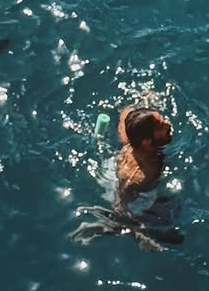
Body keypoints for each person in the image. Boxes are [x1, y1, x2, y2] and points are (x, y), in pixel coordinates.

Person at [75, 106, 181, 251]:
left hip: (115, 169)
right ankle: (102, 227)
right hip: (121, 190)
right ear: (146, 141)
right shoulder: (140, 176)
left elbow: (125, 113)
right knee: (172, 221)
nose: (167, 124)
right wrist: (139, 231)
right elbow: (120, 204)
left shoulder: (131, 134)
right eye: (161, 126)